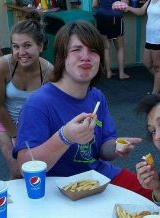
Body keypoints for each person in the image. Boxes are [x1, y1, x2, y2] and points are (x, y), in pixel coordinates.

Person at [13, 21, 152, 199]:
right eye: (76, 49)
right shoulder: (39, 103)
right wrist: (65, 137)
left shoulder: (97, 97)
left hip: (98, 178)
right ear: (62, 57)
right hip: (57, 189)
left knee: (155, 197)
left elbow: (103, 149)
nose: (86, 56)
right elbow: (25, 166)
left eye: (93, 50)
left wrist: (116, 147)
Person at [0, 13, 53, 179]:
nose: (21, 52)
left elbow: (48, 108)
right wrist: (16, 135)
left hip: (32, 120)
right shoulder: (2, 66)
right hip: (4, 116)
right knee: (17, 170)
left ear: (40, 46)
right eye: (16, 46)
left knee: (38, 167)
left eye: (27, 46)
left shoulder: (49, 72)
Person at [125, 0, 160, 94]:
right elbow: (141, 11)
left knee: (158, 67)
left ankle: (154, 95)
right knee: (147, 63)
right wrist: (128, 8)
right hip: (151, 37)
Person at [92, 0, 130, 80]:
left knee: (106, 47)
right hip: (115, 17)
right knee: (120, 48)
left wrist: (104, 6)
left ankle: (108, 72)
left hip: (101, 17)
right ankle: (121, 73)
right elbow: (125, 7)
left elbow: (94, 5)